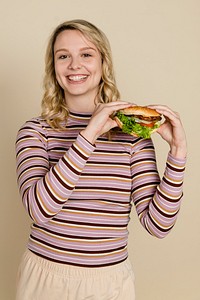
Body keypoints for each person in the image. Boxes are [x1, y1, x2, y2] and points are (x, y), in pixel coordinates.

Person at [15, 19, 187, 300]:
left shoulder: (133, 135)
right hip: (45, 278)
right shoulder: (36, 131)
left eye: (86, 54)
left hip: (109, 282)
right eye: (63, 56)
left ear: (103, 63)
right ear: (53, 67)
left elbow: (158, 225)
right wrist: (89, 133)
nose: (74, 65)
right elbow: (39, 210)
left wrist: (178, 153)